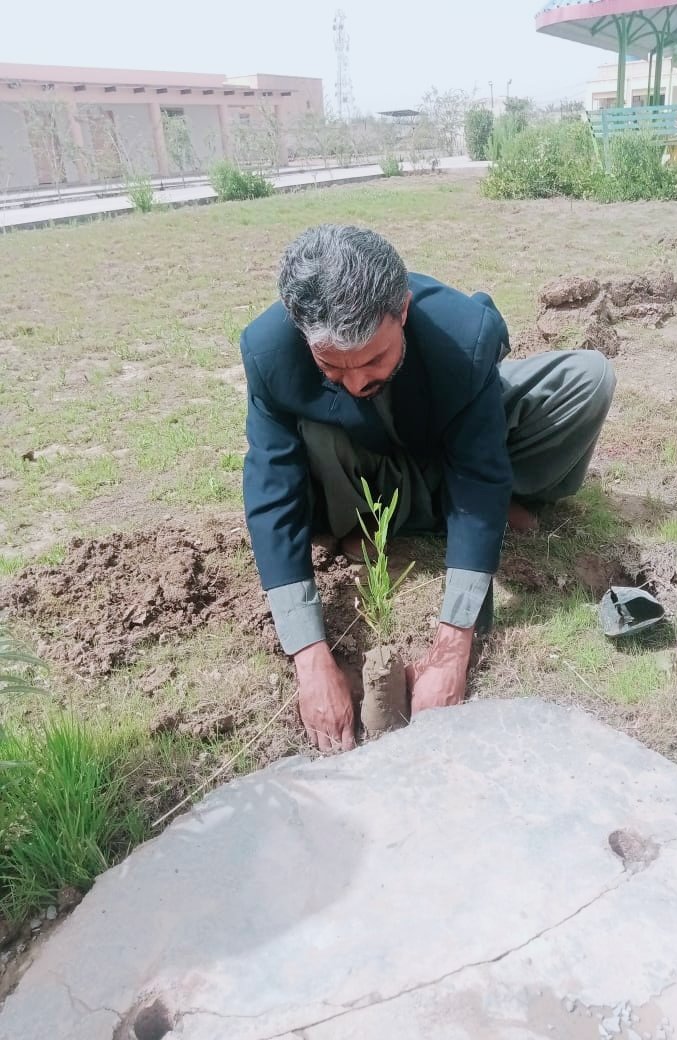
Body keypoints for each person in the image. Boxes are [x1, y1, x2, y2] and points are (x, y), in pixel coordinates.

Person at [240, 224, 615, 752]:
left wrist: (452, 647)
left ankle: (464, 515)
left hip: (446, 458)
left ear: (404, 311)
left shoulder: (463, 335)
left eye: (374, 359)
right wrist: (309, 655)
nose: (355, 383)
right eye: (331, 367)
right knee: (311, 431)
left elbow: (480, 469)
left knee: (587, 377)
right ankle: (402, 522)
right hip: (356, 479)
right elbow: (272, 489)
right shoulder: (269, 351)